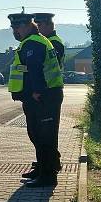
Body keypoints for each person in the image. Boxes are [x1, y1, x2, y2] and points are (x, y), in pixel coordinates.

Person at [7, 13, 64, 188]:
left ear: (27, 26)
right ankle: (44, 171)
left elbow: (35, 68)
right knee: (38, 135)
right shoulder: (33, 41)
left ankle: (47, 176)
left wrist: (37, 91)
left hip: (43, 98)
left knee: (44, 137)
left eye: (17, 27)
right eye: (13, 28)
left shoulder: (33, 43)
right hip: (42, 96)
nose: (15, 31)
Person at [33, 12, 65, 171]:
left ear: (47, 25)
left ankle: (50, 164)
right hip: (48, 91)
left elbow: (49, 66)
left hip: (49, 92)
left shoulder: (53, 43)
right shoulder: (47, 41)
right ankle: (46, 162)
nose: (37, 30)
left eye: (38, 26)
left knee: (48, 133)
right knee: (44, 133)